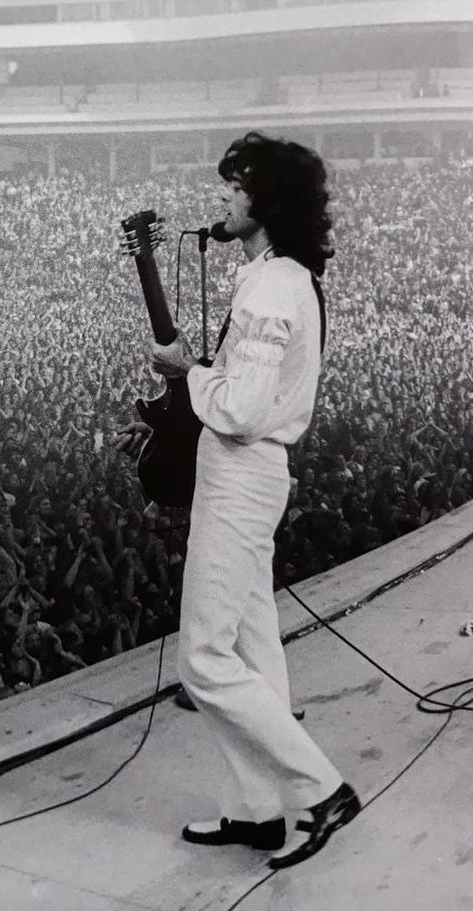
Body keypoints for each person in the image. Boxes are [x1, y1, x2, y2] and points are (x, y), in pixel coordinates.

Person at [116, 131, 360, 868]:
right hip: (251, 474)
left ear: (266, 202)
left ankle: (320, 790)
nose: (222, 196)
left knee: (203, 660)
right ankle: (256, 808)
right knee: (254, 646)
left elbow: (243, 409)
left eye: (235, 186)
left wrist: (187, 368)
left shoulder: (268, 285)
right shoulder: (280, 276)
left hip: (241, 468)